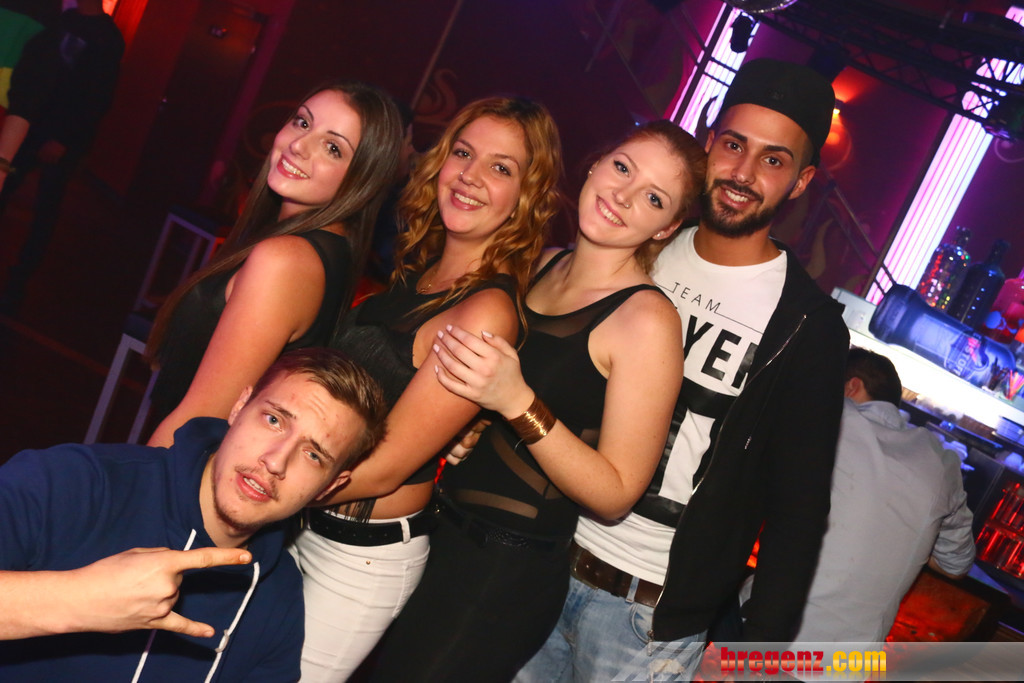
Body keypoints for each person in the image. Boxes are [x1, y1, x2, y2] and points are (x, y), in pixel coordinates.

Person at [519, 58, 850, 681]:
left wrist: (756, 660)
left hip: (649, 625)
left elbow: (799, 508)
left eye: (773, 160)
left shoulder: (806, 326)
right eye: (734, 145)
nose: (744, 173)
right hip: (542, 561)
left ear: (800, 182)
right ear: (709, 143)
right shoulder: (640, 247)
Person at [369, 120, 704, 681]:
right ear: (595, 165)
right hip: (433, 528)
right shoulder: (539, 263)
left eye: (653, 198)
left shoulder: (648, 321)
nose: (623, 195)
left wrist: (516, 401)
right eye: (621, 168)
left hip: (503, 571)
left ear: (667, 227)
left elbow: (617, 492)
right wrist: (466, 425)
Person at [288, 96, 563, 681]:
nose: (470, 176)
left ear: (526, 197)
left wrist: (269, 483)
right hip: (308, 517)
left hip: (355, 560)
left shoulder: (486, 311)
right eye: (463, 153)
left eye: (501, 167)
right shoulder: (421, 270)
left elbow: (385, 468)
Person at [0, 348, 388, 681]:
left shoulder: (279, 598)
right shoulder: (78, 481)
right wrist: (78, 598)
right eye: (274, 420)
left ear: (329, 487)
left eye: (313, 455)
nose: (275, 461)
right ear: (239, 407)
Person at [146, 81, 402, 447]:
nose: (299, 145)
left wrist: (136, 480)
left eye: (332, 148)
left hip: (178, 466)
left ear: (362, 180)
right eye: (302, 122)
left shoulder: (286, 260)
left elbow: (201, 420)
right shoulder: (326, 251)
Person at [789, 347, 975, 643]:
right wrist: (908, 534)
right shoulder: (941, 462)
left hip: (773, 632)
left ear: (851, 387)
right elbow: (956, 566)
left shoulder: (832, 416)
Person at [0, 0, 123, 312]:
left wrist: (64, 139)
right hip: (32, 125)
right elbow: (32, 67)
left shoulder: (107, 37)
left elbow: (97, 96)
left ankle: (17, 284)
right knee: (7, 191)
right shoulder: (62, 21)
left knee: (44, 212)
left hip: (61, 138)